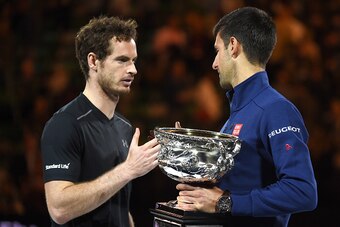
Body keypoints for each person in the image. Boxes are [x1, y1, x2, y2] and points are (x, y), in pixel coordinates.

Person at [175, 7, 317, 227]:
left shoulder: (276, 109)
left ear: (233, 46)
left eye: (217, 50)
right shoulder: (235, 116)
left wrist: (225, 202)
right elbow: (237, 185)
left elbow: (302, 191)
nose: (214, 63)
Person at [40, 16, 160, 226]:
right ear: (93, 61)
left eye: (133, 61)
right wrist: (128, 170)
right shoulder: (64, 125)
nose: (133, 70)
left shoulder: (124, 127)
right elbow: (59, 209)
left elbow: (119, 205)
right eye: (122, 60)